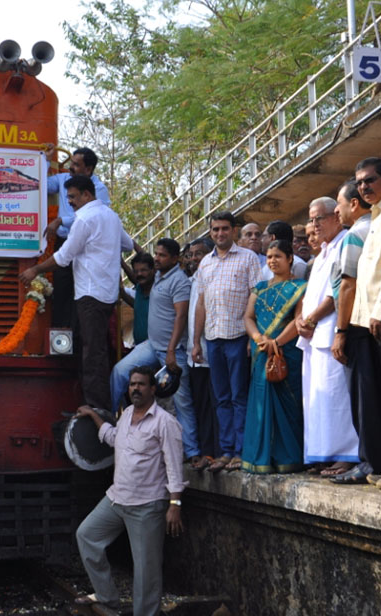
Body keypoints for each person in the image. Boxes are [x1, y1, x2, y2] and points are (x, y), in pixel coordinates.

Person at [74, 366, 185, 616]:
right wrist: (93, 416)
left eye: (141, 384)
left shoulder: (165, 423)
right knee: (86, 535)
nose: (135, 388)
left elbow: (175, 466)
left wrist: (175, 505)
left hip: (147, 505)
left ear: (153, 389)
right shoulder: (125, 416)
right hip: (116, 499)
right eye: (132, 384)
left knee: (146, 569)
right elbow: (114, 438)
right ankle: (106, 596)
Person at [20, 175, 134, 410]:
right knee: (95, 349)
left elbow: (63, 257)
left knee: (92, 353)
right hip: (107, 293)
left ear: (87, 195)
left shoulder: (85, 219)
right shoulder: (111, 217)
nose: (69, 202)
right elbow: (128, 245)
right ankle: (95, 406)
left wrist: (35, 270)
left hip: (90, 293)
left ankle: (96, 409)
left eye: (72, 197)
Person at [109, 238, 200, 464]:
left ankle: (192, 452)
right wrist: (123, 250)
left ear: (175, 259)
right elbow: (139, 271)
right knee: (120, 372)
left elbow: (180, 317)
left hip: (172, 350)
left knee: (182, 402)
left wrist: (170, 351)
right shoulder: (158, 275)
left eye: (161, 256)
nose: (156, 259)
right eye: (156, 254)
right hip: (150, 345)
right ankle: (110, 424)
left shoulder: (180, 281)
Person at [329, 178, 381, 486]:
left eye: (339, 205)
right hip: (380, 322)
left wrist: (340, 330)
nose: (337, 212)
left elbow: (348, 284)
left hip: (356, 325)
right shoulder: (380, 224)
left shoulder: (355, 234)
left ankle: (371, 462)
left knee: (364, 397)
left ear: (354, 204)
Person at [191, 212, 261, 472]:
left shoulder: (248, 258)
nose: (219, 233)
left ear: (233, 231)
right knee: (221, 398)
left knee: (239, 396)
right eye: (215, 229)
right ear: (210, 232)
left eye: (224, 229)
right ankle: (226, 450)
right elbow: (201, 304)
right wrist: (197, 342)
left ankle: (241, 452)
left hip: (238, 337)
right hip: (213, 339)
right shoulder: (205, 264)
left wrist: (251, 337)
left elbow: (257, 297)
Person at [295, 198, 359, 476]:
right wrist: (302, 319)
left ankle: (346, 455)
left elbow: (337, 294)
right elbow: (311, 295)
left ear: (336, 215)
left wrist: (310, 318)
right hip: (313, 335)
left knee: (337, 398)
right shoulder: (322, 252)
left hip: (331, 330)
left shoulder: (344, 243)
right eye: (311, 220)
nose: (314, 225)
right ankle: (323, 454)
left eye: (319, 218)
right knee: (317, 399)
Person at [241, 240, 306, 474]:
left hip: (286, 352)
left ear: (290, 258)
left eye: (277, 256)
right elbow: (248, 317)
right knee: (261, 403)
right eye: (269, 257)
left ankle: (289, 457)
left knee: (289, 403)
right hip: (261, 353)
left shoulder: (300, 287)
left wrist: (276, 343)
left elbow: (299, 320)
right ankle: (261, 458)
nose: (272, 261)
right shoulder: (259, 288)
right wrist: (259, 338)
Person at [45, 146, 112, 327]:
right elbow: (41, 186)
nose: (70, 167)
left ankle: (80, 339)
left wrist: (62, 220)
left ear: (88, 170)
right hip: (64, 243)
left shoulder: (100, 189)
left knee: (84, 295)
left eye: (76, 164)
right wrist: (45, 160)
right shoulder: (63, 179)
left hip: (88, 248)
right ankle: (61, 341)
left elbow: (96, 220)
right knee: (61, 291)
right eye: (71, 162)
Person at [187, 237, 219, 460]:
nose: (193, 258)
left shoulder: (213, 275)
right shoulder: (193, 279)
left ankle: (216, 451)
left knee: (215, 404)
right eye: (190, 254)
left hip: (211, 350)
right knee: (201, 405)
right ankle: (205, 450)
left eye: (199, 253)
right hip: (194, 354)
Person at [119, 253, 155, 348]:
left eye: (143, 270)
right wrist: (121, 262)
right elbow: (137, 306)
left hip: (155, 348)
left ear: (153, 270)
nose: (139, 274)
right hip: (139, 347)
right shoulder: (140, 289)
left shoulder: (159, 290)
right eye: (136, 271)